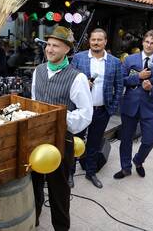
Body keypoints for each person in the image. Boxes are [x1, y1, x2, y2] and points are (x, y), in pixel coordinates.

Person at [31, 26, 93, 230]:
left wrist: (58, 118)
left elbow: (85, 114)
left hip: (60, 141)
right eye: (48, 44)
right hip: (35, 139)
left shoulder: (77, 78)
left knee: (59, 191)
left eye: (55, 46)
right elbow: (34, 102)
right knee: (34, 185)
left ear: (67, 49)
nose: (49, 49)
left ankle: (61, 227)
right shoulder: (38, 71)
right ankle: (35, 220)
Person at [114, 30, 153, 180]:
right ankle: (125, 168)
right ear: (142, 42)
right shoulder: (130, 59)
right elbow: (121, 79)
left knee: (150, 140)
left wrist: (152, 88)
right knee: (126, 139)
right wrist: (137, 77)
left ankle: (138, 161)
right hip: (130, 106)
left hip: (150, 108)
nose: (149, 45)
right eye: (147, 41)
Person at [71, 28, 123, 188]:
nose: (96, 42)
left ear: (105, 41)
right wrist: (82, 84)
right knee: (75, 142)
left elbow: (119, 86)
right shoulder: (79, 58)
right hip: (80, 110)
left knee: (94, 143)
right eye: (93, 39)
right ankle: (69, 173)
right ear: (90, 41)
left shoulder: (114, 62)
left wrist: (111, 109)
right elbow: (69, 80)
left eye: (99, 40)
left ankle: (90, 172)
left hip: (101, 111)